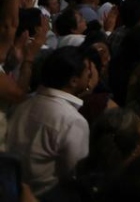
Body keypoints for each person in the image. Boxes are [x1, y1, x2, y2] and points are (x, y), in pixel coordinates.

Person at [5, 46, 95, 195]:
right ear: (73, 81)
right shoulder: (72, 120)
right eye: (87, 72)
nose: (91, 75)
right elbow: (74, 174)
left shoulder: (23, 104)